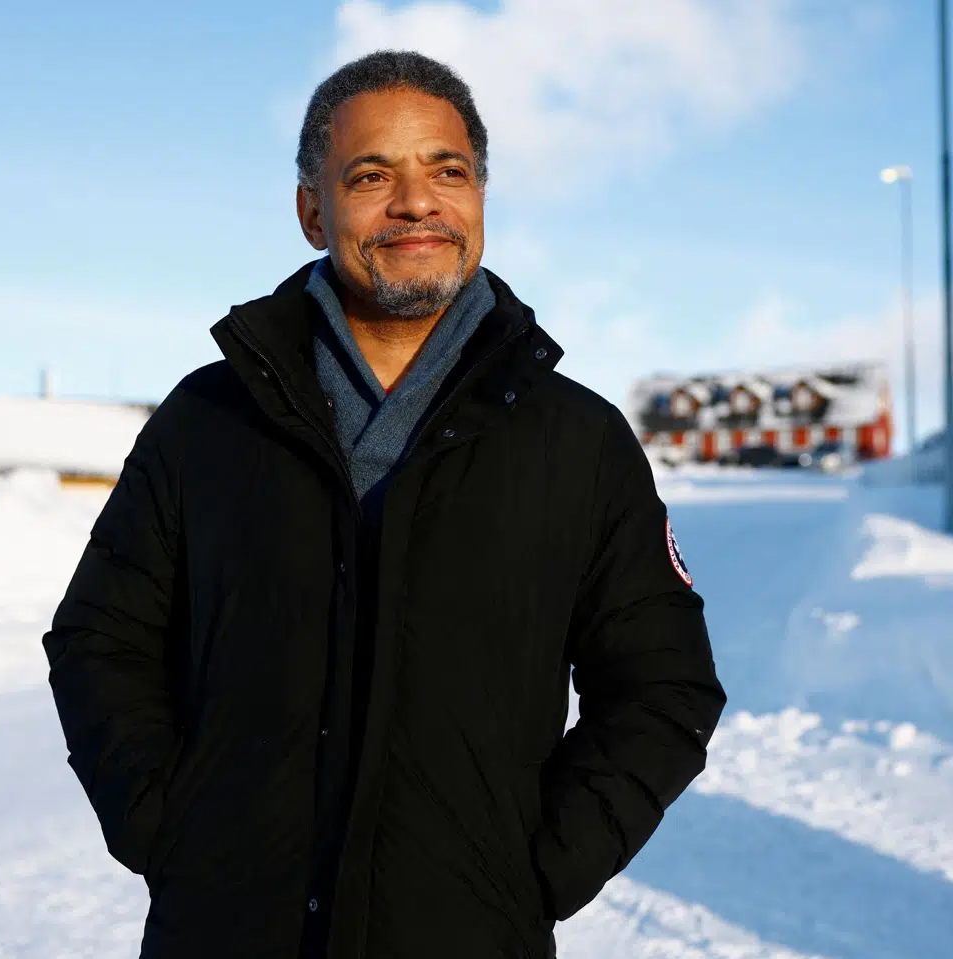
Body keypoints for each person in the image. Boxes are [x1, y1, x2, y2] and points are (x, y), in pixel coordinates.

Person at [42, 49, 725, 959]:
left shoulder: (578, 440)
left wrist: (535, 870)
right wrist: (168, 830)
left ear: (480, 197)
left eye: (448, 170)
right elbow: (101, 639)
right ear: (311, 211)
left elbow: (662, 687)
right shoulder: (207, 421)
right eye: (372, 175)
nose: (416, 202)